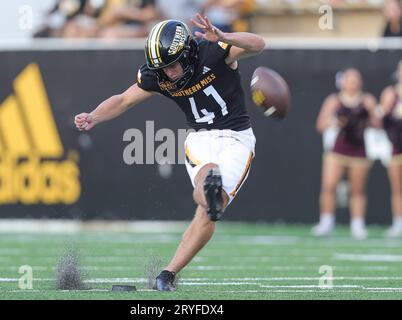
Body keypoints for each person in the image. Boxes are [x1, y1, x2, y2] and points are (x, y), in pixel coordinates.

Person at [74, 14, 265, 291]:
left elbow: (258, 44)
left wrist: (224, 37)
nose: (168, 73)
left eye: (172, 64)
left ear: (187, 53)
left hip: (237, 138)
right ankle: (206, 188)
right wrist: (94, 116)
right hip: (200, 137)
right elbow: (124, 99)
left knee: (213, 209)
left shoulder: (212, 52)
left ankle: (167, 273)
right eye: (161, 68)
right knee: (208, 182)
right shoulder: (159, 74)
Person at [312, 68, 378, 239]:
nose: (352, 83)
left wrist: (368, 117)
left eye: (356, 80)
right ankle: (326, 221)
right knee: (329, 186)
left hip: (359, 151)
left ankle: (357, 224)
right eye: (349, 80)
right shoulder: (334, 100)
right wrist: (335, 123)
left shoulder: (367, 100)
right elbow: (320, 125)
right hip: (337, 151)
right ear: (342, 82)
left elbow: (378, 124)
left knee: (357, 190)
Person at [380, 60, 402, 237]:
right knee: (397, 187)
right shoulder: (390, 93)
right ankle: (398, 222)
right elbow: (380, 120)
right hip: (397, 145)